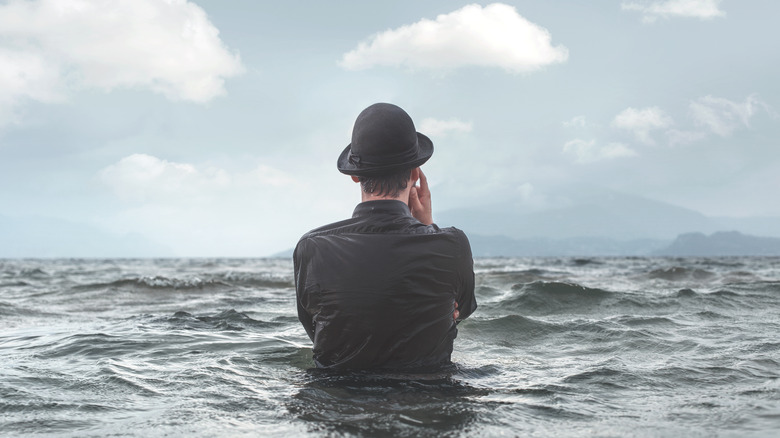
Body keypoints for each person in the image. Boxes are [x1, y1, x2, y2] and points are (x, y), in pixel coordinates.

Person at [293, 102, 477, 371]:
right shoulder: (452, 245)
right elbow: (456, 314)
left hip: (336, 402)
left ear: (355, 175)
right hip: (428, 398)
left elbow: (319, 332)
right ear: (415, 173)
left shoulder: (311, 247)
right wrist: (427, 226)